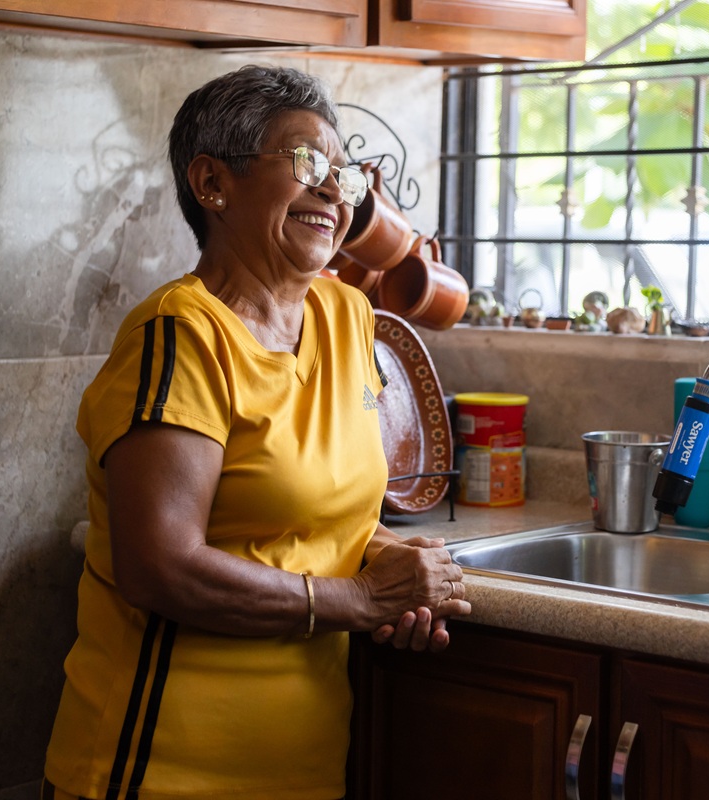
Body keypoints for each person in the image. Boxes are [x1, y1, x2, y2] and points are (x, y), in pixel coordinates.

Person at [43, 64, 471, 800]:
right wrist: (361, 602)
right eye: (308, 163)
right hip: (157, 773)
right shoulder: (179, 335)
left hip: (302, 769)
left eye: (345, 174)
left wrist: (401, 574)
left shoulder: (345, 316)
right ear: (213, 183)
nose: (335, 192)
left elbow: (314, 514)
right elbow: (161, 566)